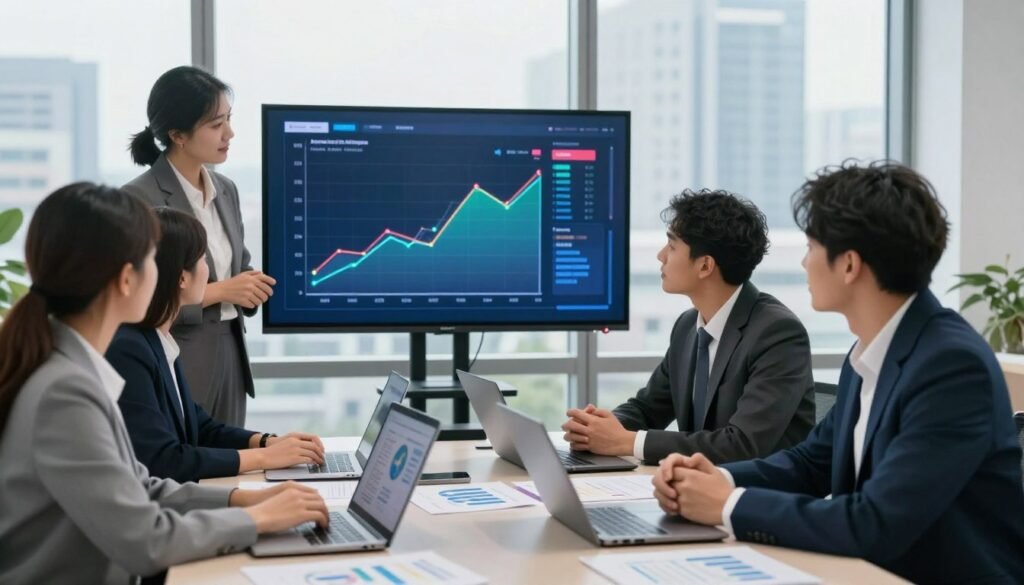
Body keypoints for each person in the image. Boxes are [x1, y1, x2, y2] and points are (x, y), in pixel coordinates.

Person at [653, 163, 1024, 584]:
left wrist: (727, 505)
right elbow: (812, 462)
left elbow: (873, 523)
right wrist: (714, 477)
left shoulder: (951, 367)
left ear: (849, 265)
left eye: (812, 246)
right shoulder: (869, 350)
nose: (804, 261)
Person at [0, 183, 328, 585]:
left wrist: (243, 499)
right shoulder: (63, 393)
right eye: (153, 259)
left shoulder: (71, 370)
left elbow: (142, 488)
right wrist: (254, 519)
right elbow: (146, 540)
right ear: (126, 280)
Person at [562, 189, 814, 464]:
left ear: (705, 265)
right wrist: (596, 429)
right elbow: (648, 408)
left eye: (671, 246)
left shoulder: (777, 333)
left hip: (757, 496)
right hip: (697, 488)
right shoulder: (687, 326)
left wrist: (626, 441)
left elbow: (743, 443)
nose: (661, 256)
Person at [107, 207, 325, 483]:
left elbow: (200, 426)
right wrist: (265, 459)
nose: (208, 271)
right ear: (182, 278)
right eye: (202, 259)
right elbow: (164, 460)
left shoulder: (158, 340)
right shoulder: (128, 348)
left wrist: (268, 443)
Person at [124, 65, 273, 427]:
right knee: (186, 467)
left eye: (229, 120)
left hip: (230, 354)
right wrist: (220, 291)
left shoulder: (227, 190)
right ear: (178, 135)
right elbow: (137, 302)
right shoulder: (137, 198)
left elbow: (238, 266)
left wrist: (251, 285)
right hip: (179, 351)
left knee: (233, 464)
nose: (229, 133)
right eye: (216, 125)